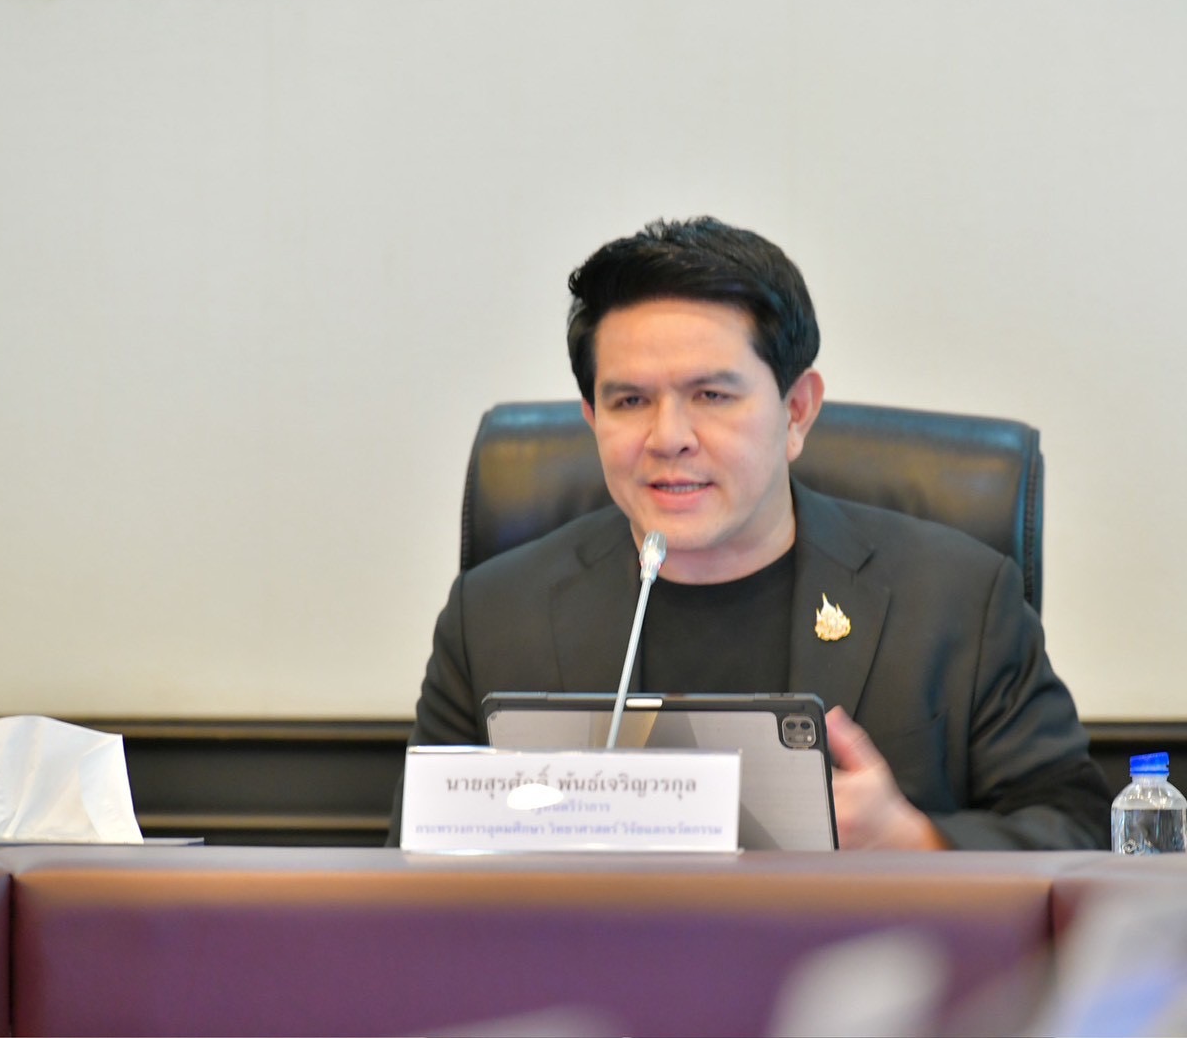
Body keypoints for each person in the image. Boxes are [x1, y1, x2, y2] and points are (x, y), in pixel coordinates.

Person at [389, 217, 1110, 850]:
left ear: (797, 411)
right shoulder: (494, 616)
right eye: (630, 401)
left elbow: (1077, 831)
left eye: (711, 395)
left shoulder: (956, 599)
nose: (667, 437)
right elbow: (410, 866)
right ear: (592, 419)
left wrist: (911, 839)